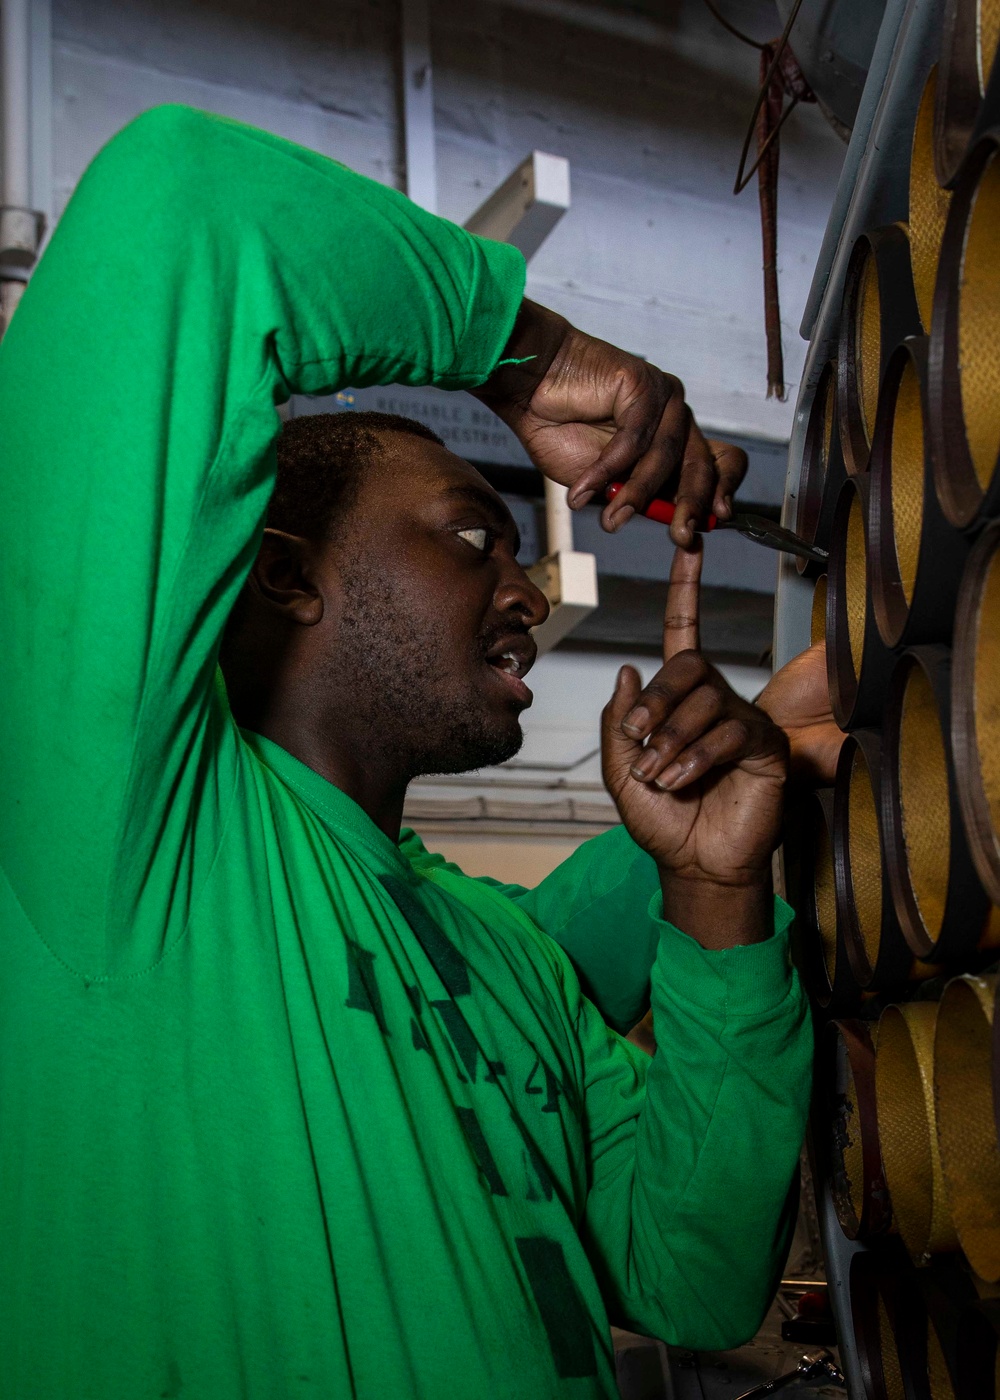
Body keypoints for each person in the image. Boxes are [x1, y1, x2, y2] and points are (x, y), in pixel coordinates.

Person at [0, 105, 832, 1399]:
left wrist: (717, 895)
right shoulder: (129, 837)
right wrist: (524, 356)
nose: (530, 593)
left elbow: (695, 1277)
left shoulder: (512, 960)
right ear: (285, 576)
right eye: (468, 535)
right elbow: (179, 207)